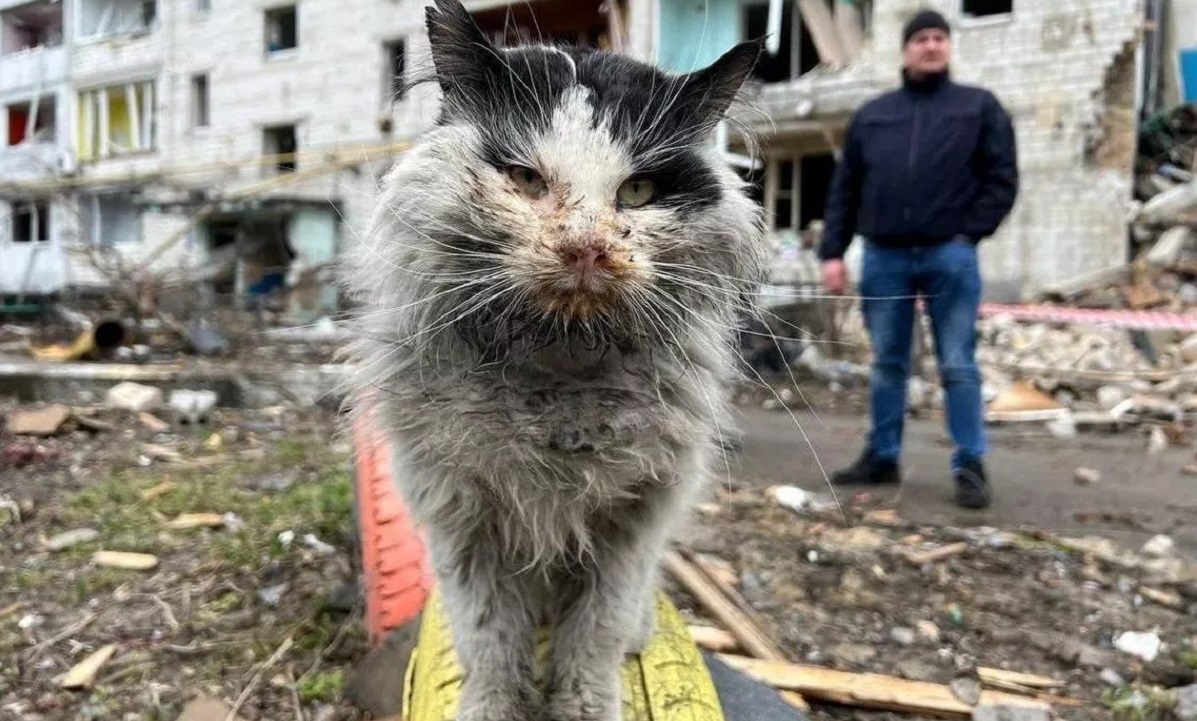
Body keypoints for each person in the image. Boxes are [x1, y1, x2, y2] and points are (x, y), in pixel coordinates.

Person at [818, 10, 1018, 509]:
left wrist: (968, 234)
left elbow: (1002, 180)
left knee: (957, 363)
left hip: (948, 256)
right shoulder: (873, 115)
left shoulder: (978, 108)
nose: (931, 46)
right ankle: (882, 456)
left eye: (939, 38)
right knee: (887, 362)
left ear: (948, 48)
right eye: (922, 39)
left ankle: (970, 462)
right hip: (885, 256)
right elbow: (846, 189)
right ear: (905, 49)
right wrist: (833, 253)